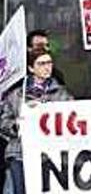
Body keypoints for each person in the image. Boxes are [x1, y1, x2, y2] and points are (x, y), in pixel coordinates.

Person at [0, 48, 73, 194]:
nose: (47, 67)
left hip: (48, 155)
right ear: (31, 68)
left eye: (49, 63)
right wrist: (16, 126)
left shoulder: (62, 94)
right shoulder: (16, 94)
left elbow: (71, 119)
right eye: (41, 63)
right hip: (20, 153)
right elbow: (3, 122)